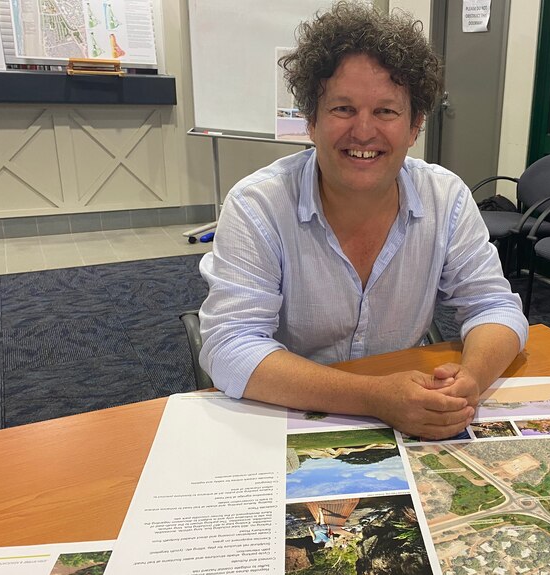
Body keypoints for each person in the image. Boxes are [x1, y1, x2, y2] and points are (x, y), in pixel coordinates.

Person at [198, 1, 528, 439]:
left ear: (414, 127)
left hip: (408, 413)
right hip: (290, 411)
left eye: (387, 111)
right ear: (311, 122)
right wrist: (373, 398)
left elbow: (496, 307)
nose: (364, 131)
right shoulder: (258, 205)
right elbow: (230, 347)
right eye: (343, 109)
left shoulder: (445, 198)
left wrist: (472, 381)